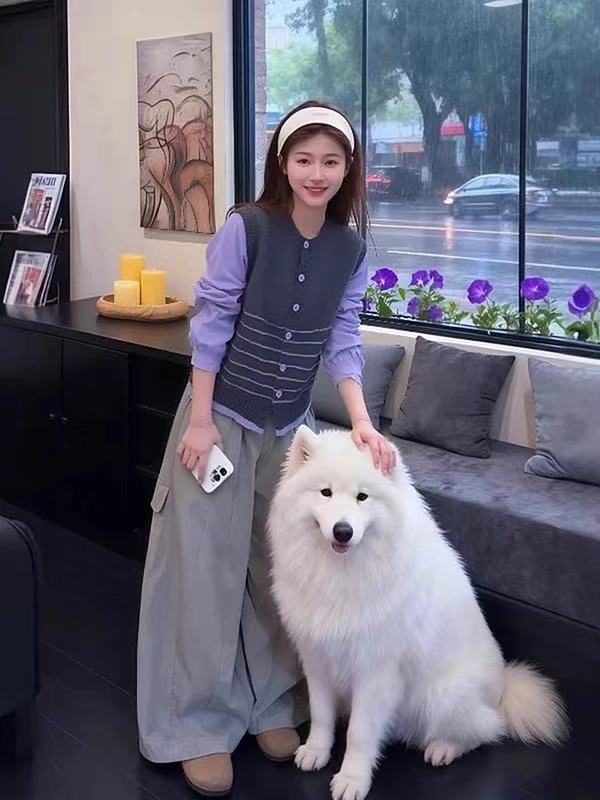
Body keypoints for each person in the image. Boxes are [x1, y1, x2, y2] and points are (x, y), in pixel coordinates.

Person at [136, 99, 396, 797]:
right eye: (304, 159)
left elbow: (342, 338)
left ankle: (272, 706)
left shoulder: (350, 249)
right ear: (283, 162)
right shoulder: (245, 228)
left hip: (290, 433)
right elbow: (212, 322)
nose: (317, 173)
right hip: (219, 421)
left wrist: (361, 422)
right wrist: (199, 422)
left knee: (277, 566)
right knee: (204, 570)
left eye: (331, 161)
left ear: (348, 170)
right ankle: (194, 723)